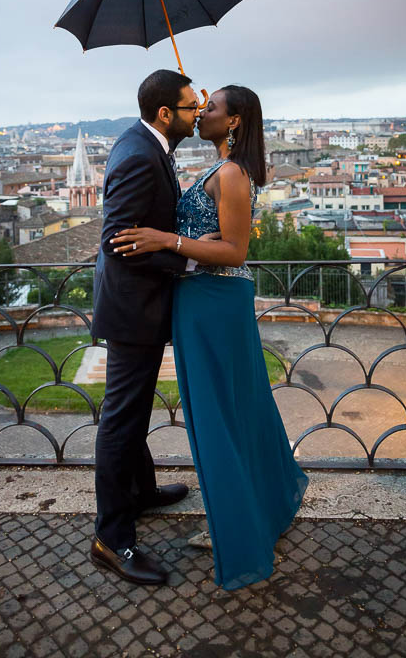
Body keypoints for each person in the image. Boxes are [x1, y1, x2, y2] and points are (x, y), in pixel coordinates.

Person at [113, 85, 309, 590]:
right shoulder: (218, 169)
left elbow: (236, 251)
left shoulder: (231, 173)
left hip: (215, 303)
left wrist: (166, 240)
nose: (202, 113)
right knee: (232, 410)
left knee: (219, 417)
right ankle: (250, 508)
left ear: (236, 121)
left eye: (212, 108)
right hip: (201, 302)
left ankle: (238, 528)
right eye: (198, 106)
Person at [90, 69, 200, 586]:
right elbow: (120, 239)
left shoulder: (144, 144)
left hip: (137, 306)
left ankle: (142, 492)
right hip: (134, 310)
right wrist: (187, 262)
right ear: (165, 114)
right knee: (121, 419)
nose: (197, 112)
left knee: (131, 413)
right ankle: (112, 539)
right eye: (189, 107)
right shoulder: (139, 154)